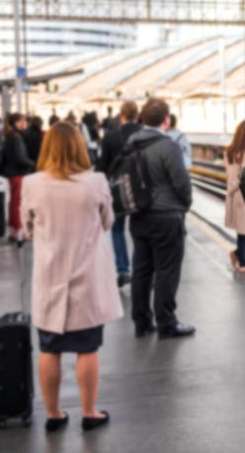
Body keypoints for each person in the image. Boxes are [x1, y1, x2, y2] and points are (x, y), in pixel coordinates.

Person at [22, 122, 121, 433]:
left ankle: (53, 414)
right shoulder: (96, 182)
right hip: (86, 279)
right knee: (87, 348)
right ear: (80, 147)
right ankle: (89, 412)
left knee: (49, 349)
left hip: (50, 278)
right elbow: (108, 222)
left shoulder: (32, 184)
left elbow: (26, 227)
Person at [127, 98, 195, 339]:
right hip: (166, 216)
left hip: (138, 216)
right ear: (166, 119)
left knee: (142, 270)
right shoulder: (168, 146)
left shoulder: (132, 142)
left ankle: (142, 321)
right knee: (167, 270)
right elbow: (181, 182)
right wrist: (185, 204)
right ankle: (166, 322)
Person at [97, 100, 142, 288]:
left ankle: (123, 270)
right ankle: (142, 270)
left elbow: (102, 167)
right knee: (141, 232)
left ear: (121, 116)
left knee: (117, 230)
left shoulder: (110, 137)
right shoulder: (145, 134)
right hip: (142, 189)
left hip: (117, 191)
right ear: (137, 116)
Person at [224, 120, 245, 273]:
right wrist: (234, 188)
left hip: (232, 195)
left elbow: (229, 174)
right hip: (243, 195)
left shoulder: (228, 151)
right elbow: (244, 175)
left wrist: (230, 189)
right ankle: (242, 261)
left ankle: (239, 256)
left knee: (242, 230)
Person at [2, 113, 35, 244]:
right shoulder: (16, 138)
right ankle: (19, 231)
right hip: (17, 173)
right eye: (23, 121)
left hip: (11, 173)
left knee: (13, 203)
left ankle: (13, 231)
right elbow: (21, 158)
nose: (25, 123)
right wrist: (34, 164)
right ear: (16, 123)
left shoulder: (10, 136)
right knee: (18, 203)